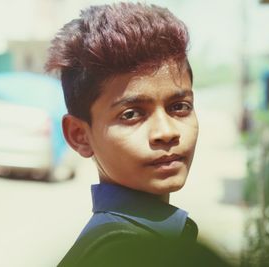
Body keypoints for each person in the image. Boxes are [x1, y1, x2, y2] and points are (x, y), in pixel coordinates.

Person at [45, 2, 211, 266]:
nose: (166, 132)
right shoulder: (116, 254)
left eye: (179, 107)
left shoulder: (155, 239)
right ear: (79, 135)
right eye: (132, 114)